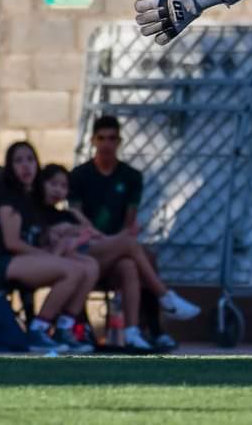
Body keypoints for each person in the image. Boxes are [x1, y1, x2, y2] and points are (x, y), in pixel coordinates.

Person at [70, 116, 199, 352]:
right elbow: (77, 218)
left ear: (119, 141)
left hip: (117, 248)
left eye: (112, 138)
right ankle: (165, 297)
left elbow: (130, 220)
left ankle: (135, 331)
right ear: (93, 141)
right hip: (89, 246)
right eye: (101, 138)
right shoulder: (79, 175)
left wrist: (117, 241)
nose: (106, 144)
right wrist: (106, 239)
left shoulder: (130, 176)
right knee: (135, 250)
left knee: (132, 264)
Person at [36, 164, 197, 351]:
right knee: (129, 243)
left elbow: (98, 236)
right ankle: (165, 296)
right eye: (53, 184)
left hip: (90, 254)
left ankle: (131, 332)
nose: (58, 190)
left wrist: (87, 230)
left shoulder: (70, 214)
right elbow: (52, 249)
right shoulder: (39, 214)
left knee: (127, 265)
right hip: (71, 258)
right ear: (41, 184)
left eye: (63, 186)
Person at [0, 141, 96, 353]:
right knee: (71, 270)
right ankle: (38, 329)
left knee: (89, 266)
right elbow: (12, 243)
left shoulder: (31, 199)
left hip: (27, 258)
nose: (26, 166)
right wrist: (48, 256)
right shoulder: (7, 199)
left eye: (30, 160)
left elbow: (39, 236)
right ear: (10, 167)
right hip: (3, 263)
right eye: (19, 161)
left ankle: (64, 328)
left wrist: (59, 237)